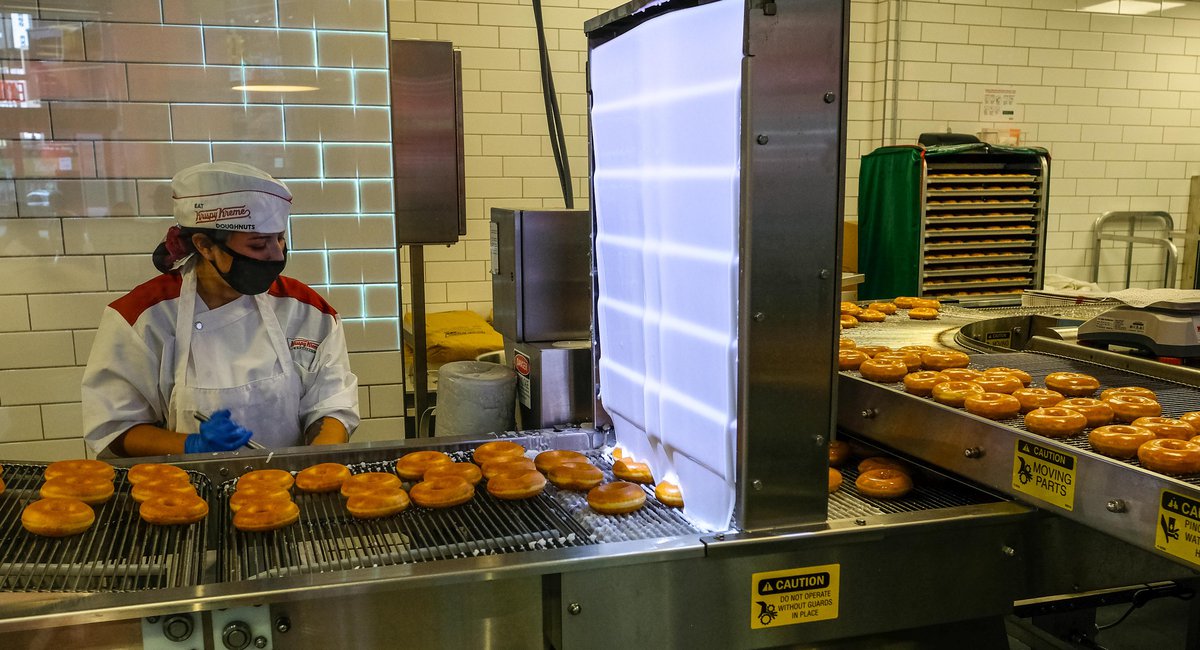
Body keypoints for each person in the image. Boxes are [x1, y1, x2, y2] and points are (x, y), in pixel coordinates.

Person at [82, 162, 359, 456]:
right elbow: (115, 427)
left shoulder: (308, 311)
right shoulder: (143, 318)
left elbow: (331, 405)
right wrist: (190, 445)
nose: (276, 255)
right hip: (184, 493)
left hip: (287, 490)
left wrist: (317, 466)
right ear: (205, 245)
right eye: (258, 245)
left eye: (280, 239)